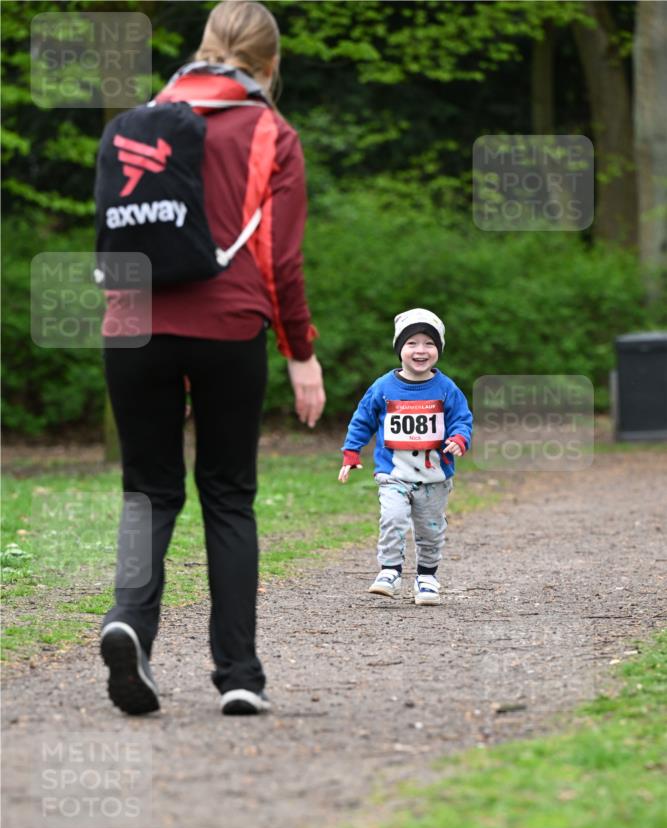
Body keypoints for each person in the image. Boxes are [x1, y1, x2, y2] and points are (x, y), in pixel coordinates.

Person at [100, 0, 325, 717]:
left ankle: (129, 620)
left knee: (149, 491)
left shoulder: (136, 122)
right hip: (229, 326)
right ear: (270, 62)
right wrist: (300, 353)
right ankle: (238, 675)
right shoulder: (270, 132)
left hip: (133, 323)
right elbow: (279, 261)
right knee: (227, 497)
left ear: (202, 47)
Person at [338, 308, 472, 606]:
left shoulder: (446, 388)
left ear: (438, 349)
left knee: (430, 529)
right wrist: (351, 452)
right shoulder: (383, 387)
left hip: (434, 476)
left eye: (429, 343)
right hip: (393, 472)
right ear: (400, 348)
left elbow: (462, 419)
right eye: (412, 343)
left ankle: (427, 577)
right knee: (392, 518)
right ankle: (389, 571)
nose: (420, 350)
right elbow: (363, 419)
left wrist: (459, 439)